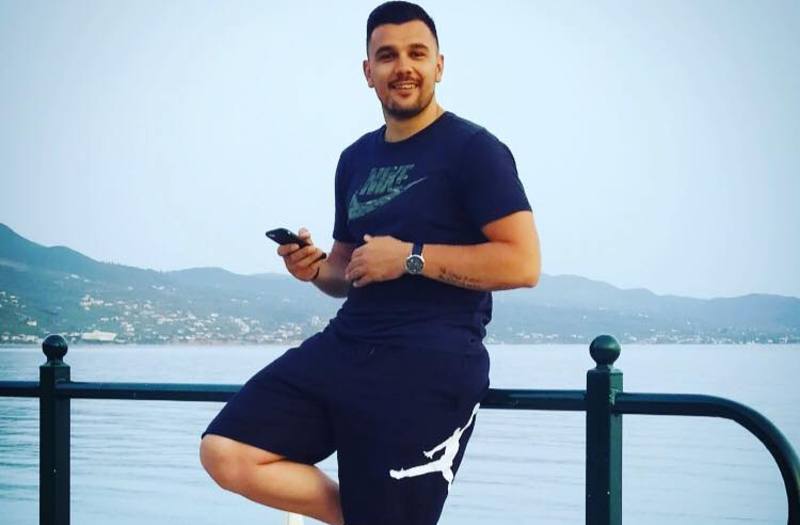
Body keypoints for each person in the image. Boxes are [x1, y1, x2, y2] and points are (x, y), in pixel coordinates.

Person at [198, 2, 541, 524]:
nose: (403, 67)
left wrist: (411, 258)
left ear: (439, 66)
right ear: (368, 71)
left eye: (417, 54)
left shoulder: (475, 150)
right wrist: (315, 268)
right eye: (387, 56)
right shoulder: (355, 159)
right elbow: (346, 269)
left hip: (429, 363)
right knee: (227, 451)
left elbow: (522, 263)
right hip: (347, 346)